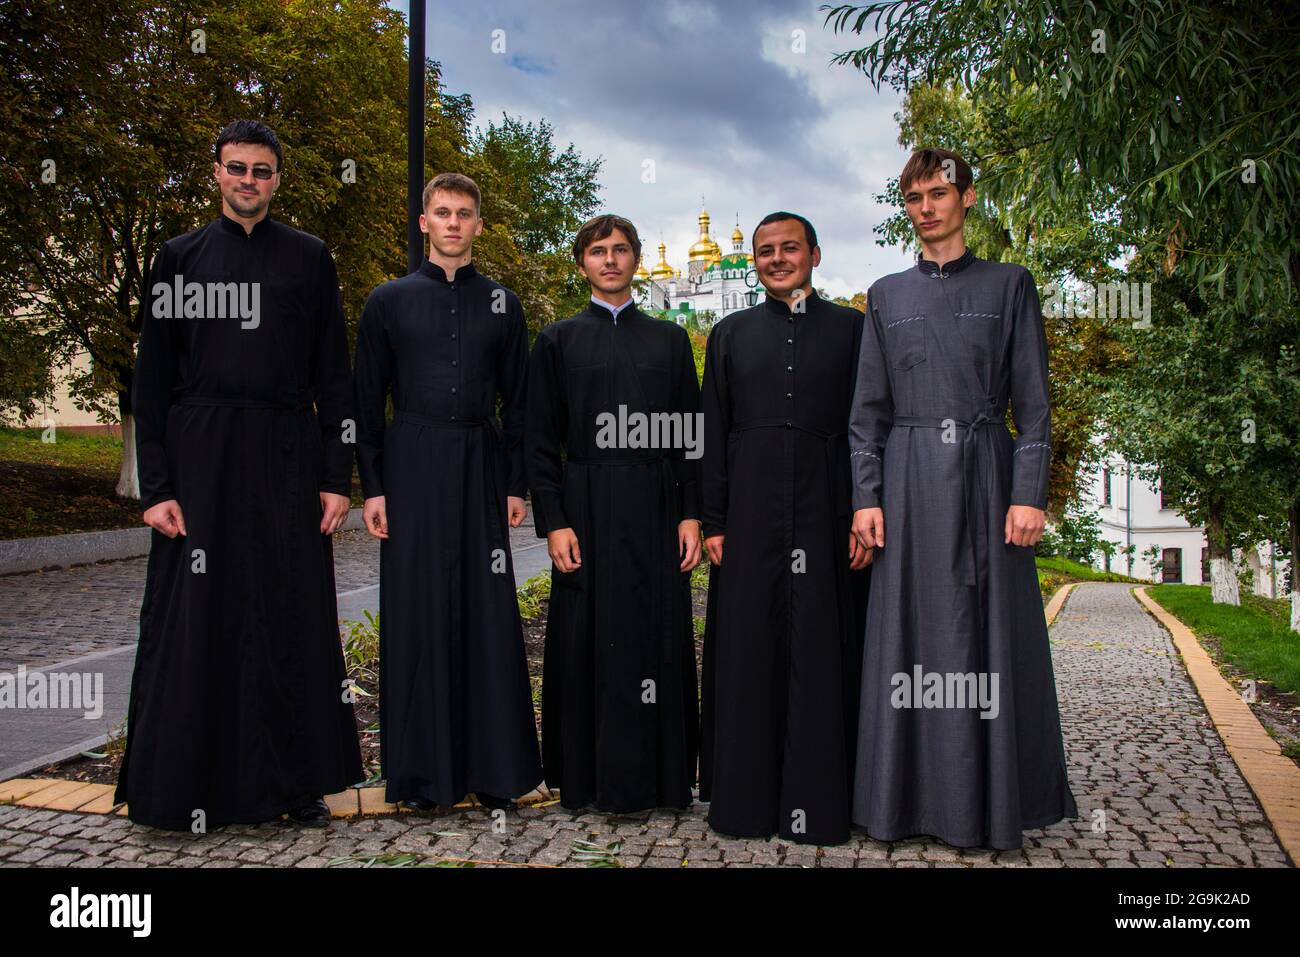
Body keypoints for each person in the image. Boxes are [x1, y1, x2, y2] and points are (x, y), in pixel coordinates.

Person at [116, 119, 363, 830]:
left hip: (288, 454)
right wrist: (156, 489)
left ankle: (295, 783)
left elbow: (334, 377)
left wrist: (334, 474)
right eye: (237, 168)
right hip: (202, 458)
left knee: (291, 612)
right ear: (216, 172)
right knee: (199, 617)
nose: (249, 180)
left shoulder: (311, 258)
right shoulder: (178, 258)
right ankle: (188, 787)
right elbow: (152, 379)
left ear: (277, 178)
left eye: (262, 170)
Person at [849, 148, 1078, 849]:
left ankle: (986, 804)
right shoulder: (885, 293)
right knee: (908, 641)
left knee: (988, 642)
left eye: (939, 193)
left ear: (968, 198)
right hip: (910, 478)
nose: (926, 207)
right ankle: (901, 806)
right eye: (915, 196)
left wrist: (1027, 493)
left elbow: (1034, 406)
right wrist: (867, 496)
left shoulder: (1011, 285)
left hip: (985, 476)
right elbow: (868, 411)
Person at [353, 172, 541, 811]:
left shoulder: (504, 305)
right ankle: (420, 776)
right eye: (443, 212)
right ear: (424, 222)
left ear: (479, 225)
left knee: (486, 612)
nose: (454, 222)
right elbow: (364, 400)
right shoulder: (388, 300)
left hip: (481, 463)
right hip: (410, 462)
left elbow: (520, 403)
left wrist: (517, 484)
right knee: (417, 609)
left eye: (465, 213)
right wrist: (372, 488)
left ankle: (496, 771)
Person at [699, 212, 871, 846]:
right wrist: (714, 519)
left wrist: (864, 509)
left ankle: (825, 802)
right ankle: (744, 804)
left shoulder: (854, 330)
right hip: (748, 511)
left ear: (815, 255)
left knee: (826, 650)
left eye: (789, 248)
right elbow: (710, 432)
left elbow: (868, 428)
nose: (776, 258)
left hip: (829, 509)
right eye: (765, 250)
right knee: (750, 649)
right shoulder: (729, 333)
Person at [525, 214, 702, 812]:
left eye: (621, 250)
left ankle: (662, 779)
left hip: (655, 505)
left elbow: (690, 438)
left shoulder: (670, 341)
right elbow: (539, 441)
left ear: (635, 259)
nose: (610, 259)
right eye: (598, 251)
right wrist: (554, 520)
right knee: (586, 638)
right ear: (582, 264)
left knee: (657, 636)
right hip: (585, 506)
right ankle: (586, 778)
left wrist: (690, 514)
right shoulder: (556, 340)